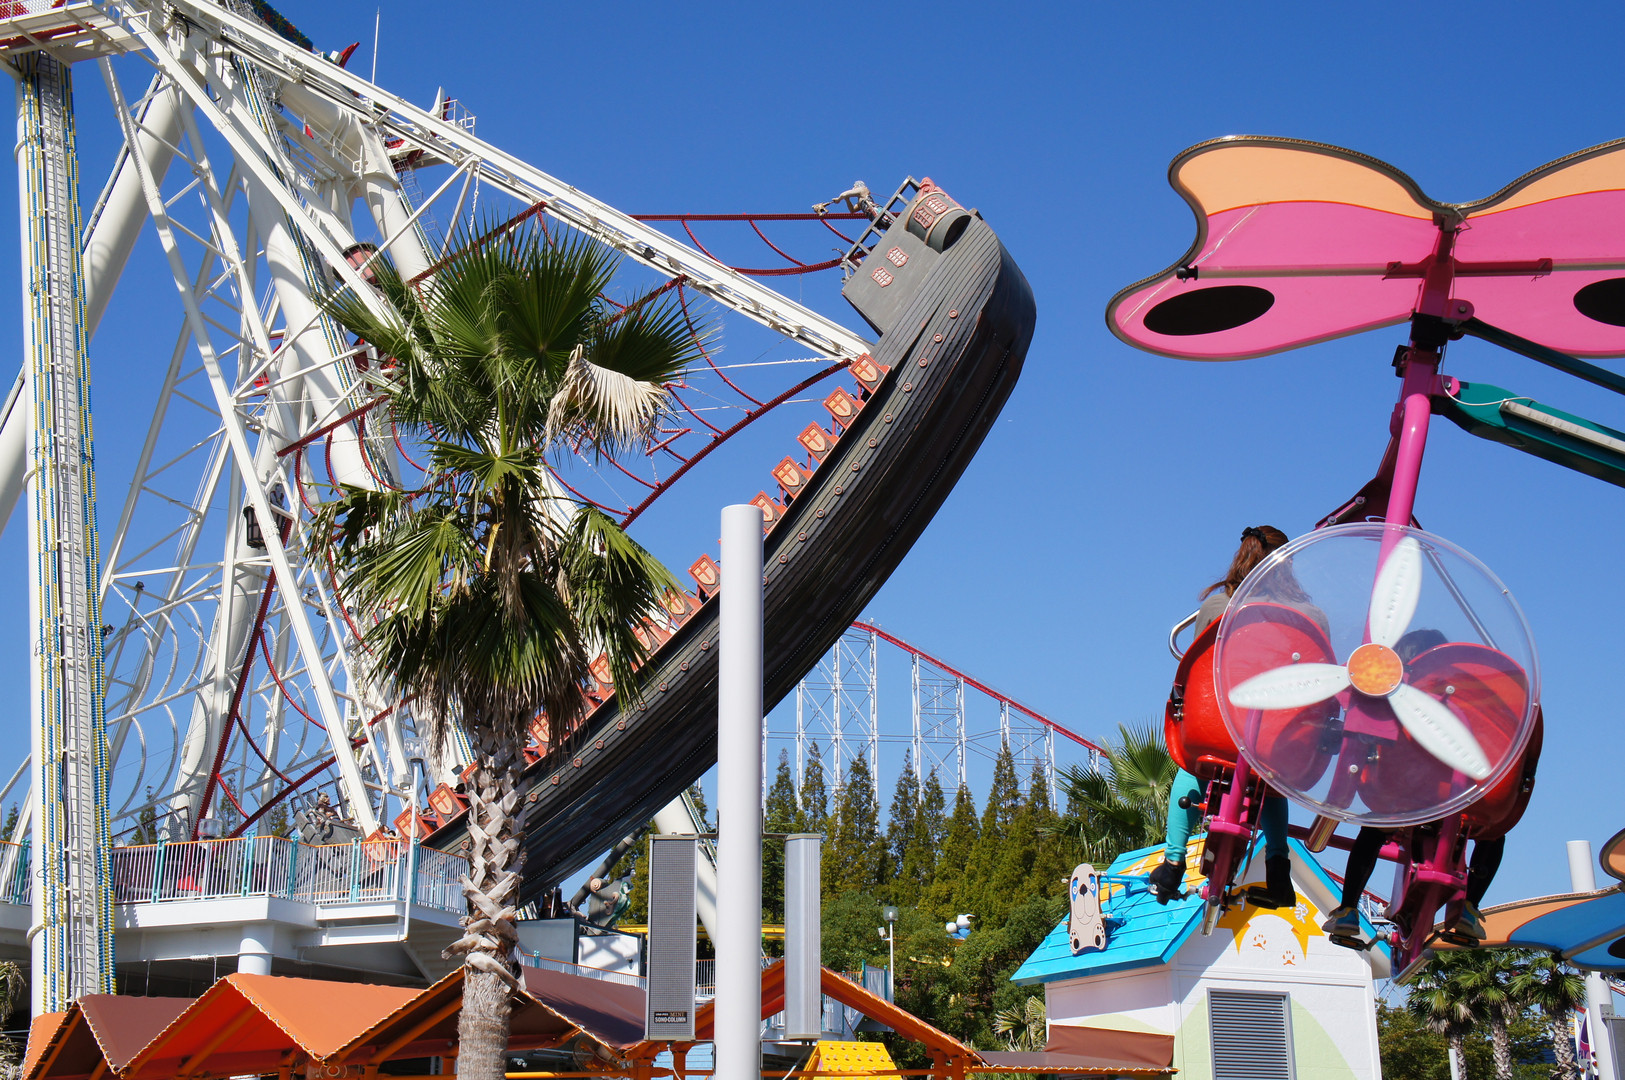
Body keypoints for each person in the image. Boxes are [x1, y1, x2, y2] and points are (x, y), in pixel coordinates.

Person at [1150, 525, 1297, 908]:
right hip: (1274, 739)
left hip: (1218, 728)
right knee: (1272, 780)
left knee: (1194, 764)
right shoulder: (1308, 618)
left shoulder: (1218, 608)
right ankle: (1279, 870)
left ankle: (1173, 863)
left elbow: (1199, 669)